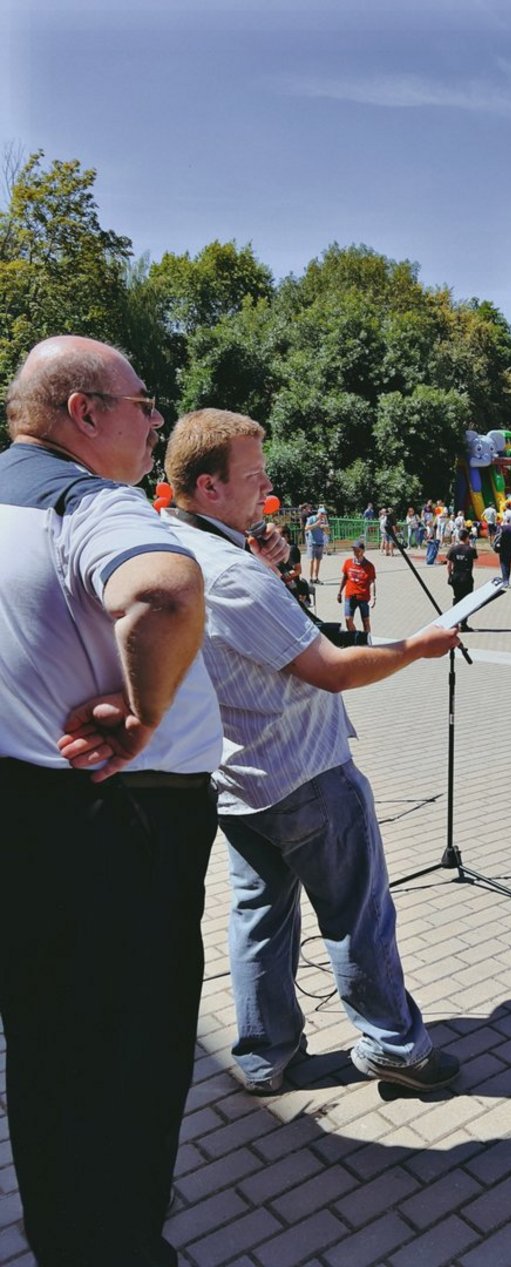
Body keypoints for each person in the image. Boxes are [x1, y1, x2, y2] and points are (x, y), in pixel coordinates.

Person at [1, 336, 225, 1266]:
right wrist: (142, 713)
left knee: (50, 1058)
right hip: (116, 826)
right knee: (128, 1066)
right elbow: (167, 595)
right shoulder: (87, 499)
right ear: (83, 411)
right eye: (144, 403)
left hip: (28, 814)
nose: (157, 420)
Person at [163, 409, 462, 1093]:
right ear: (208, 487)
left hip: (235, 776)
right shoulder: (233, 574)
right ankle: (395, 1045)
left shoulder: (180, 546)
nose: (267, 486)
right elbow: (328, 666)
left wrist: (255, 557)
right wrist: (416, 646)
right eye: (252, 474)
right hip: (304, 772)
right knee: (358, 913)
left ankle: (266, 1054)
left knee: (260, 917)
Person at [337, 539, 376, 637]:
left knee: (366, 621)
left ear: (363, 551)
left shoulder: (369, 566)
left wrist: (373, 597)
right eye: (354, 550)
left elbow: (372, 582)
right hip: (350, 596)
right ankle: (355, 638)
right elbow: (345, 578)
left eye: (357, 550)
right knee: (348, 619)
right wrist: (339, 592)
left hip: (363, 597)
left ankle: (367, 640)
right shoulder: (348, 562)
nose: (355, 553)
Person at [445, 527, 478, 632]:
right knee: (467, 601)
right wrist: (472, 545)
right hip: (467, 578)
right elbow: (476, 559)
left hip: (456, 577)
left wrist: (450, 575)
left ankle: (454, 622)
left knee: (457, 599)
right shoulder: (470, 550)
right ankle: (464, 624)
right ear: (467, 537)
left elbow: (448, 565)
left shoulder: (453, 549)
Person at [304, 505, 327, 583]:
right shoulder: (311, 518)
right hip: (312, 542)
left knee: (318, 561)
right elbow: (306, 528)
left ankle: (316, 578)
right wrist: (316, 524)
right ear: (319, 513)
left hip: (320, 542)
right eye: (322, 514)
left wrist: (325, 527)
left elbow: (328, 532)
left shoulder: (323, 520)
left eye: (324, 514)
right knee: (311, 560)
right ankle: (310, 578)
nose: (323, 515)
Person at [496, 509, 511, 585]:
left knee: (503, 563)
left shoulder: (500, 528)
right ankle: (507, 579)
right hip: (510, 548)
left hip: (502, 548)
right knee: (508, 563)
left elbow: (496, 538)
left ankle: (504, 578)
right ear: (509, 521)